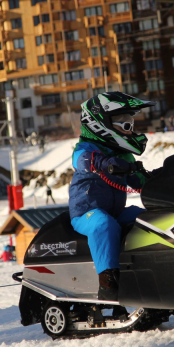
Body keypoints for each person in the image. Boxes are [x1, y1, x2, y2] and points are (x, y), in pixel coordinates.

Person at [69, 92, 156, 301]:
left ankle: (152, 270)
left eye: (130, 122)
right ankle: (108, 282)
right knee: (103, 223)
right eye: (123, 122)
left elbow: (139, 181)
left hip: (116, 213)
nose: (129, 127)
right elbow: (80, 160)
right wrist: (102, 163)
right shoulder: (86, 148)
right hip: (86, 215)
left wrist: (158, 182)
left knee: (147, 219)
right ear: (100, 123)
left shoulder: (122, 154)